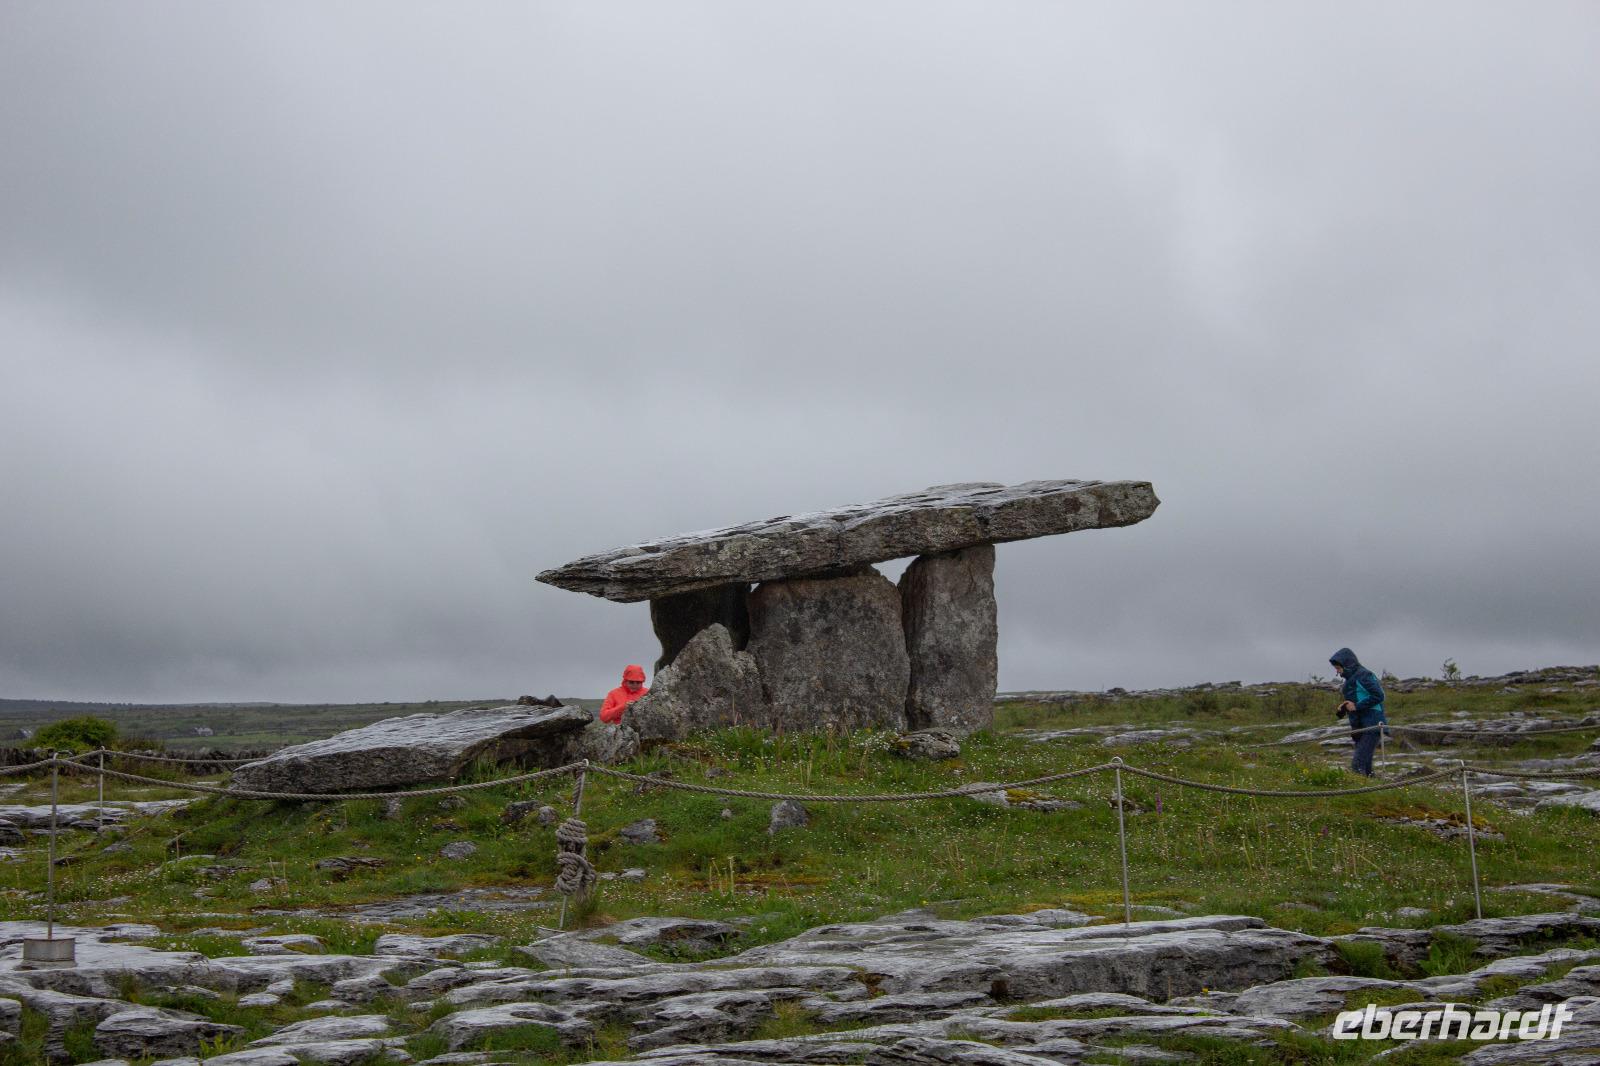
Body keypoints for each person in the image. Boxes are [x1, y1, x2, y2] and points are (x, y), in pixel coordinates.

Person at [1329, 647, 1386, 776]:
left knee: (1357, 765)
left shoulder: (1363, 675)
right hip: (1360, 725)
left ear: (1347, 664)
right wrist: (1344, 707)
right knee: (1366, 767)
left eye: (1338, 668)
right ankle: (1373, 791)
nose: (1337, 672)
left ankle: (1360, 792)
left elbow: (1379, 695)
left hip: (1372, 724)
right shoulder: (1351, 679)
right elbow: (1355, 701)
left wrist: (1357, 706)